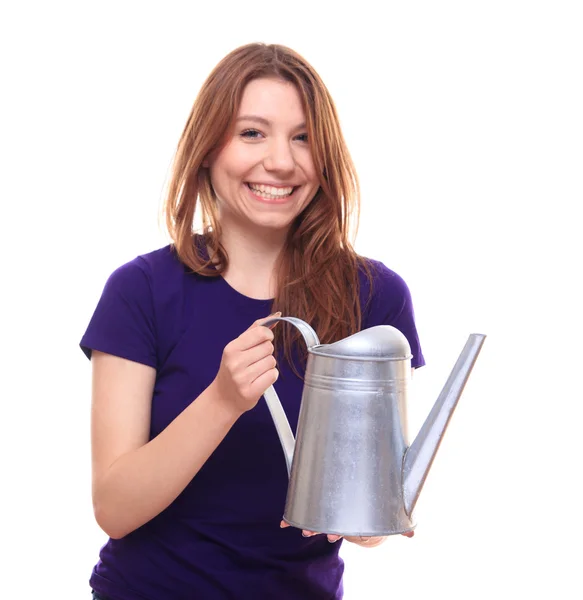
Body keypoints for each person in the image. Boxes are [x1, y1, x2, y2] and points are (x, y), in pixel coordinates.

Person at [80, 42, 425, 600]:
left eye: (303, 137)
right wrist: (221, 401)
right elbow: (114, 509)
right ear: (208, 149)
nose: (282, 162)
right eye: (252, 133)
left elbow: (373, 518)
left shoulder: (375, 298)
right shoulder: (140, 291)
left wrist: (367, 522)